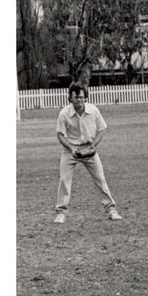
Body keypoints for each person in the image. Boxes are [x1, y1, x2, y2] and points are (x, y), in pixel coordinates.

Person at [53, 83, 123, 223]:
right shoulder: (64, 114)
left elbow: (102, 129)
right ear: (70, 99)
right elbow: (60, 135)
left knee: (100, 179)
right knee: (64, 180)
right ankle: (61, 212)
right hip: (70, 150)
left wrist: (93, 146)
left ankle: (111, 209)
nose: (79, 100)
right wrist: (72, 149)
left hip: (89, 149)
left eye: (81, 97)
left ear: (85, 98)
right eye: (75, 97)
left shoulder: (94, 111)